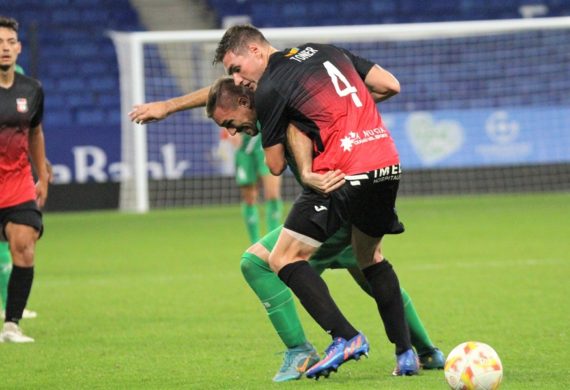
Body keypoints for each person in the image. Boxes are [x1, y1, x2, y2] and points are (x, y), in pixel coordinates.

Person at [129, 80, 444, 381]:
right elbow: (220, 93)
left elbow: (273, 162)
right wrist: (168, 106)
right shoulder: (273, 100)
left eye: (229, 123)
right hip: (352, 196)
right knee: (371, 271)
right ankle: (426, 351)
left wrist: (170, 107)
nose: (230, 131)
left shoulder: (276, 106)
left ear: (247, 98)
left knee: (257, 263)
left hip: (331, 203)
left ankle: (304, 350)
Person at [213, 25, 418, 378]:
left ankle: (345, 336)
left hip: (341, 171)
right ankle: (407, 353)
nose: (238, 78)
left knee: (282, 258)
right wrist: (345, 115)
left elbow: (276, 166)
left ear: (255, 50)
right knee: (369, 257)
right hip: (385, 160)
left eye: (236, 68)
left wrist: (286, 126)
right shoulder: (327, 51)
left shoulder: (272, 86)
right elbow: (389, 85)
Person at [129, 89, 282, 244]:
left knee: (272, 193)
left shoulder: (263, 86)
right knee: (249, 196)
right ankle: (255, 242)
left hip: (264, 146)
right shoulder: (237, 87)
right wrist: (227, 134)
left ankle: (273, 241)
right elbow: (226, 109)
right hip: (243, 151)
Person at [0, 16, 49, 343]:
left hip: (17, 182)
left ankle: (11, 324)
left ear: (18, 48)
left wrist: (41, 173)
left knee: (24, 248)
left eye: (9, 43)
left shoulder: (31, 89)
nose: (4, 49)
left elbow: (34, 133)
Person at [0, 62, 39, 321]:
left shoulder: (23, 78)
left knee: (19, 244)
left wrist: (41, 166)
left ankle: (10, 310)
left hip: (14, 179)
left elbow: (31, 128)